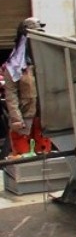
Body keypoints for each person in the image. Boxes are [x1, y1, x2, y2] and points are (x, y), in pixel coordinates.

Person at [3, 18, 53, 156]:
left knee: (45, 157)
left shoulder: (44, 62)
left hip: (43, 119)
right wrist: (16, 119)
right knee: (23, 158)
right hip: (24, 119)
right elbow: (11, 95)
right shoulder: (14, 66)